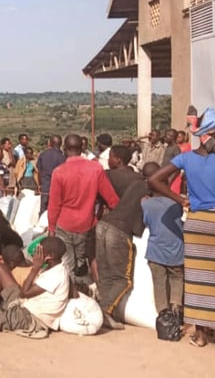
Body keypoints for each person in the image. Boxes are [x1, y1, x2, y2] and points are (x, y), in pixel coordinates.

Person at [147, 107, 215, 353]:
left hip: (197, 225)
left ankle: (200, 336)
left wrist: (181, 199)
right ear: (213, 135)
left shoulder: (185, 159)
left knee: (198, 282)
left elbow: (154, 180)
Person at [95, 162, 158, 329]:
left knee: (106, 275)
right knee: (123, 280)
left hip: (103, 226)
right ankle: (105, 311)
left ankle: (107, 310)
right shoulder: (153, 191)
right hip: (120, 231)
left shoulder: (136, 184)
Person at [48, 134, 119, 280]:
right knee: (85, 260)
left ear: (64, 149)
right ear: (82, 148)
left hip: (64, 223)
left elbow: (54, 204)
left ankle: (70, 291)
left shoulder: (59, 172)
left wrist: (51, 228)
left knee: (66, 264)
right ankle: (86, 291)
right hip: (87, 224)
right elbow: (111, 199)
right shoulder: (96, 168)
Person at [141, 177, 184, 316]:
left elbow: (146, 222)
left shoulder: (146, 204)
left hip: (156, 252)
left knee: (159, 283)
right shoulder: (177, 204)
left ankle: (163, 314)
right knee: (177, 278)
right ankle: (176, 306)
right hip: (176, 251)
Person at [36, 135, 65, 214]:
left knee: (43, 208)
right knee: (56, 209)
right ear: (60, 144)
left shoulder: (43, 155)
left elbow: (39, 171)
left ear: (50, 143)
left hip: (45, 186)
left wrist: (39, 185)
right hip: (58, 187)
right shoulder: (62, 157)